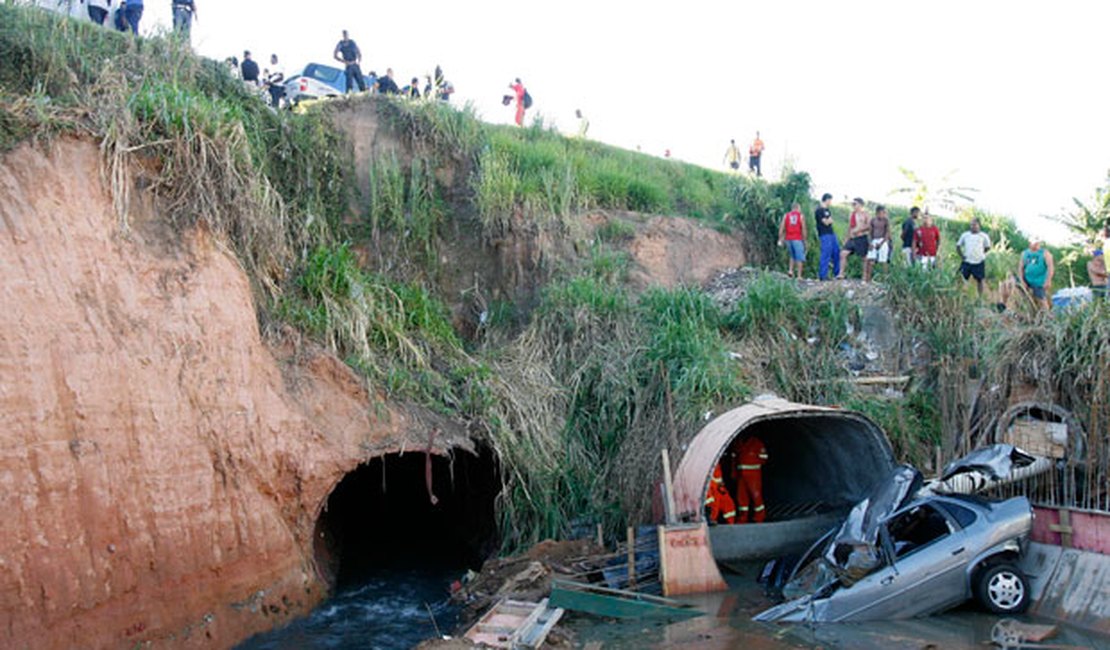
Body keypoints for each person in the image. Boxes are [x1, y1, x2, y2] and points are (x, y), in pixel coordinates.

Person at [732, 436, 768, 523]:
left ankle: (760, 517)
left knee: (756, 496)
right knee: (741, 497)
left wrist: (753, 462)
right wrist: (734, 473)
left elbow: (764, 458)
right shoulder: (738, 443)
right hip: (741, 475)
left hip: (753, 475)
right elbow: (734, 459)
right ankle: (743, 518)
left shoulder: (756, 443)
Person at [956, 218, 992, 296]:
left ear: (979, 225)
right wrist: (962, 256)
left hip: (979, 261)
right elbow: (958, 246)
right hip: (967, 261)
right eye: (971, 225)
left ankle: (980, 298)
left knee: (980, 280)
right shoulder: (965, 235)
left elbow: (987, 247)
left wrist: (981, 253)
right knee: (960, 278)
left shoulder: (984, 236)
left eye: (974, 225)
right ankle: (957, 295)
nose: (972, 226)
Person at [837, 198, 870, 279]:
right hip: (852, 238)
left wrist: (859, 230)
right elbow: (850, 227)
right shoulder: (852, 214)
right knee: (843, 253)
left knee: (864, 257)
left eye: (855, 204)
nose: (853, 206)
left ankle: (865, 275)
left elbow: (869, 226)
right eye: (853, 204)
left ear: (860, 205)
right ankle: (841, 273)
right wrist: (846, 238)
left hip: (861, 237)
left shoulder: (865, 214)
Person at [1019, 239, 1054, 310]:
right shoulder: (1025, 253)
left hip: (1039, 282)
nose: (1036, 245)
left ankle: (1047, 317)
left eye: (1037, 243)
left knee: (1041, 300)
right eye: (1033, 243)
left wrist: (1048, 281)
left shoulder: (1045, 253)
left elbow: (1050, 267)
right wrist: (1022, 280)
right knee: (1027, 300)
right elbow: (1021, 268)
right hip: (1027, 280)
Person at [815, 193, 840, 281]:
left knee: (836, 251)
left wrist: (829, 220)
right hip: (824, 234)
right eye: (830, 200)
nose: (831, 202)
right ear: (827, 199)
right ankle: (823, 275)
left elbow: (830, 221)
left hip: (831, 233)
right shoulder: (819, 210)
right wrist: (829, 220)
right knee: (826, 253)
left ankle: (837, 273)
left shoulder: (827, 210)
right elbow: (826, 222)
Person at [779, 202, 807, 279]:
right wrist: (805, 240)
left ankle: (790, 271)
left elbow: (782, 228)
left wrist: (780, 238)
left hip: (788, 239)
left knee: (792, 255)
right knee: (799, 257)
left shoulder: (786, 216)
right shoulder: (801, 216)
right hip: (797, 238)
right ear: (798, 208)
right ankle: (799, 275)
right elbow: (803, 229)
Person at [864, 205, 891, 282]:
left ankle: (884, 279)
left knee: (883, 261)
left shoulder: (886, 221)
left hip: (883, 241)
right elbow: (870, 232)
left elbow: (887, 233)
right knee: (870, 259)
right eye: (881, 213)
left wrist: (882, 243)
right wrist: (870, 243)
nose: (882, 215)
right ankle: (868, 279)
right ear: (877, 213)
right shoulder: (873, 220)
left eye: (884, 213)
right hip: (874, 240)